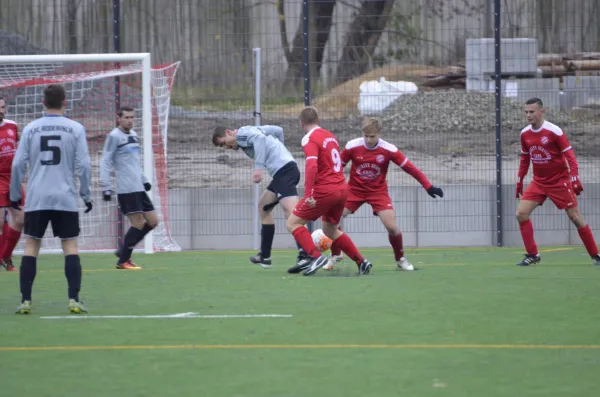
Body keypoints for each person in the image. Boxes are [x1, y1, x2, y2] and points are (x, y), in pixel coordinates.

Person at [10, 84, 92, 314]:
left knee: (31, 245)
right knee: (70, 245)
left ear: (43, 103)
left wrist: (15, 195)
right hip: (64, 196)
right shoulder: (75, 128)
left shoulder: (31, 129)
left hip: (37, 196)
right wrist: (86, 194)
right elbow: (84, 165)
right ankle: (73, 299)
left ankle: (26, 300)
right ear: (65, 102)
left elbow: (17, 164)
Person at [328, 117, 443, 270]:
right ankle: (336, 254)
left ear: (379, 134)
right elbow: (336, 168)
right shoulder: (352, 146)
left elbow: (410, 168)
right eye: (366, 136)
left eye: (372, 136)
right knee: (332, 220)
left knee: (392, 227)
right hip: (354, 191)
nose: (368, 140)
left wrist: (428, 186)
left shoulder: (388, 149)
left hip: (378, 192)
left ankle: (400, 259)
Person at [286, 106, 373, 276]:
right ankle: (361, 261)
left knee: (293, 223)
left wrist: (309, 193)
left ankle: (315, 256)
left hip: (325, 190)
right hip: (341, 188)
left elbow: (311, 165)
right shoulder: (330, 136)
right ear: (318, 121)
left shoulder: (309, 138)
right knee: (330, 230)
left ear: (301, 123)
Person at [515, 97, 600, 266]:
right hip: (539, 182)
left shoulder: (554, 131)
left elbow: (570, 156)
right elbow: (525, 159)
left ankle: (595, 255)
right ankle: (533, 255)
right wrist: (520, 180)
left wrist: (574, 177)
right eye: (526, 112)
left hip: (559, 182)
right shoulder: (525, 134)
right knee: (521, 214)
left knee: (575, 217)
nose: (528, 115)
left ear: (541, 112)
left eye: (532, 112)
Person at [212, 124, 305, 268]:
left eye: (224, 143)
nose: (226, 148)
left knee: (292, 214)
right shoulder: (250, 130)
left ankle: (307, 254)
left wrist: (259, 168)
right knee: (263, 207)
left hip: (285, 172)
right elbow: (278, 130)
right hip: (282, 172)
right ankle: (265, 256)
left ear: (228, 132)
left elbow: (260, 139)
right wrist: (280, 150)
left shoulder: (241, 135)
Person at [100, 106, 158, 270]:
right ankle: (123, 260)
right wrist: (106, 186)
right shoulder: (114, 136)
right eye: (126, 117)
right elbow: (105, 161)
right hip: (126, 188)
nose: (130, 120)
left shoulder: (134, 135)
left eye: (132, 117)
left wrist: (144, 179)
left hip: (138, 187)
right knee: (138, 223)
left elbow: (134, 162)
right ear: (119, 118)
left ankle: (124, 251)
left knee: (153, 221)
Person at [0, 97, 24, 272]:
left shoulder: (12, 125)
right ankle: (6, 260)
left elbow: (18, 148)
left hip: (14, 178)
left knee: (21, 219)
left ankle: (5, 256)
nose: (1, 111)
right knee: (0, 222)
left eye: (2, 107)